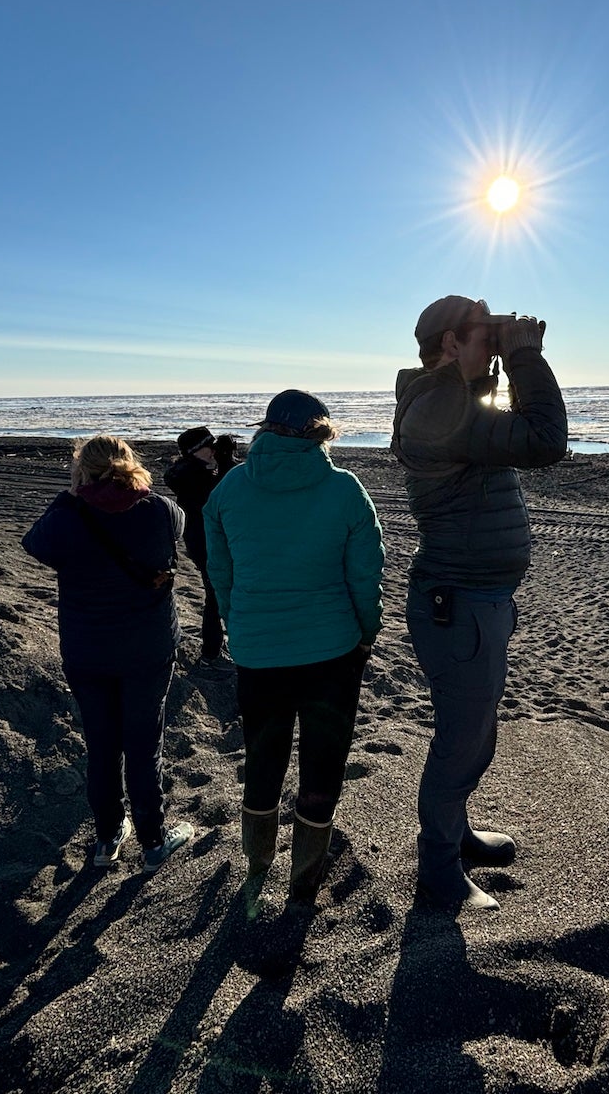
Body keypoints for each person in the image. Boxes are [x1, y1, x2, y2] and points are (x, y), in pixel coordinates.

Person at [391, 297, 568, 911]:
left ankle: (457, 834)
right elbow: (544, 440)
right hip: (458, 604)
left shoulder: (452, 399)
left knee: (474, 733)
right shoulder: (439, 408)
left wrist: (495, 366)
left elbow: (505, 433)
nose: (495, 341)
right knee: (461, 742)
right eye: (483, 333)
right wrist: (525, 358)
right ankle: (439, 870)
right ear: (450, 343)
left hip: (474, 600)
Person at [203, 390, 384, 915]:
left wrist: (239, 623)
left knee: (263, 756)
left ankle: (258, 861)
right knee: (323, 764)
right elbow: (366, 575)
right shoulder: (344, 488)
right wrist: (367, 632)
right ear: (320, 433)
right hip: (332, 652)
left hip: (259, 651)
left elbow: (220, 574)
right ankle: (303, 878)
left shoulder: (229, 488)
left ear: (265, 430)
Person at [22, 435, 195, 872]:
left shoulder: (66, 517)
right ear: (129, 464)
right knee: (143, 743)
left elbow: (34, 543)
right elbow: (178, 523)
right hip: (147, 647)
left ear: (82, 469)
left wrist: (72, 494)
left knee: (101, 744)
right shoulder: (157, 510)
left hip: (87, 649)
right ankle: (153, 841)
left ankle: (108, 837)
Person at [163, 425, 227, 662]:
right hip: (206, 542)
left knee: (215, 595)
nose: (213, 450)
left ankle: (213, 649)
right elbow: (218, 494)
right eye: (209, 447)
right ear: (194, 451)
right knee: (215, 596)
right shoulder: (194, 476)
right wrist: (226, 464)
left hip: (201, 540)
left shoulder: (189, 472)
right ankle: (211, 654)